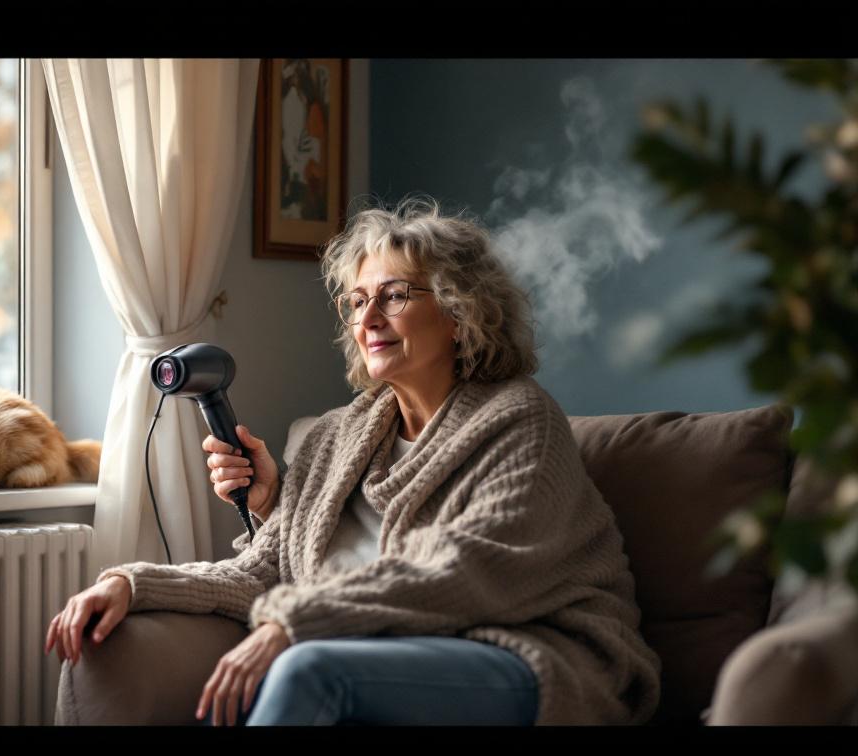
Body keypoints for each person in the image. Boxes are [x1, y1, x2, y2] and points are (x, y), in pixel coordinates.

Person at [44, 197, 662, 726]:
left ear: (458, 311)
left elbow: (465, 570)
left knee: (309, 669)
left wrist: (294, 624)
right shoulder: (334, 437)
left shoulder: (520, 418)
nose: (368, 319)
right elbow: (265, 571)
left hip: (527, 648)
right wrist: (133, 582)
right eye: (357, 300)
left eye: (394, 297)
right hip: (384, 648)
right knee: (300, 659)